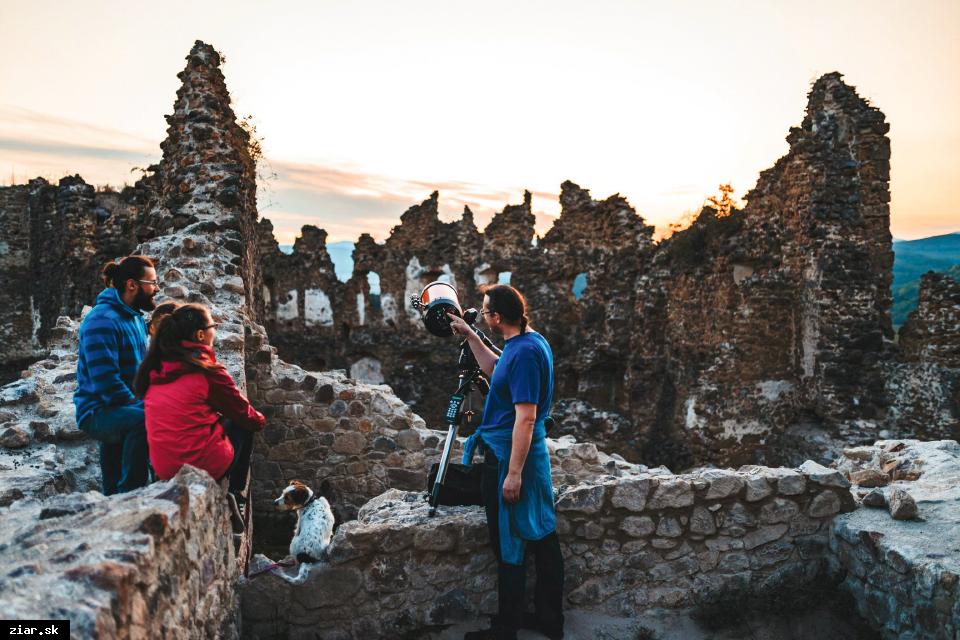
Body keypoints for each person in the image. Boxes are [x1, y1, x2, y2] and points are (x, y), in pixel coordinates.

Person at [448, 285, 564, 640]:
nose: (482, 316)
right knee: (540, 532)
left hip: (513, 457)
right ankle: (547, 620)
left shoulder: (526, 354)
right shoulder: (526, 342)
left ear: (498, 317)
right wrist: (471, 335)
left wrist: (513, 475)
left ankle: (506, 628)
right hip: (518, 453)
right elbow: (498, 368)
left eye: (484, 313)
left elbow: (526, 418)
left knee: (512, 540)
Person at [133, 303, 264, 500]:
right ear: (201, 335)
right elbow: (249, 418)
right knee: (242, 423)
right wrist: (259, 418)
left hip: (163, 469)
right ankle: (234, 493)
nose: (215, 333)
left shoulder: (154, 369)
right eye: (213, 328)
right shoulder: (207, 372)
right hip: (201, 468)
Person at [74, 256, 157, 495]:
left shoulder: (135, 317)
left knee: (111, 485)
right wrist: (147, 406)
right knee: (146, 420)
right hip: (98, 411)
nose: (156, 288)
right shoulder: (101, 321)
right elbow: (107, 385)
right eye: (151, 282)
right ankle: (134, 494)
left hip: (123, 406)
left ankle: (115, 495)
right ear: (132, 285)